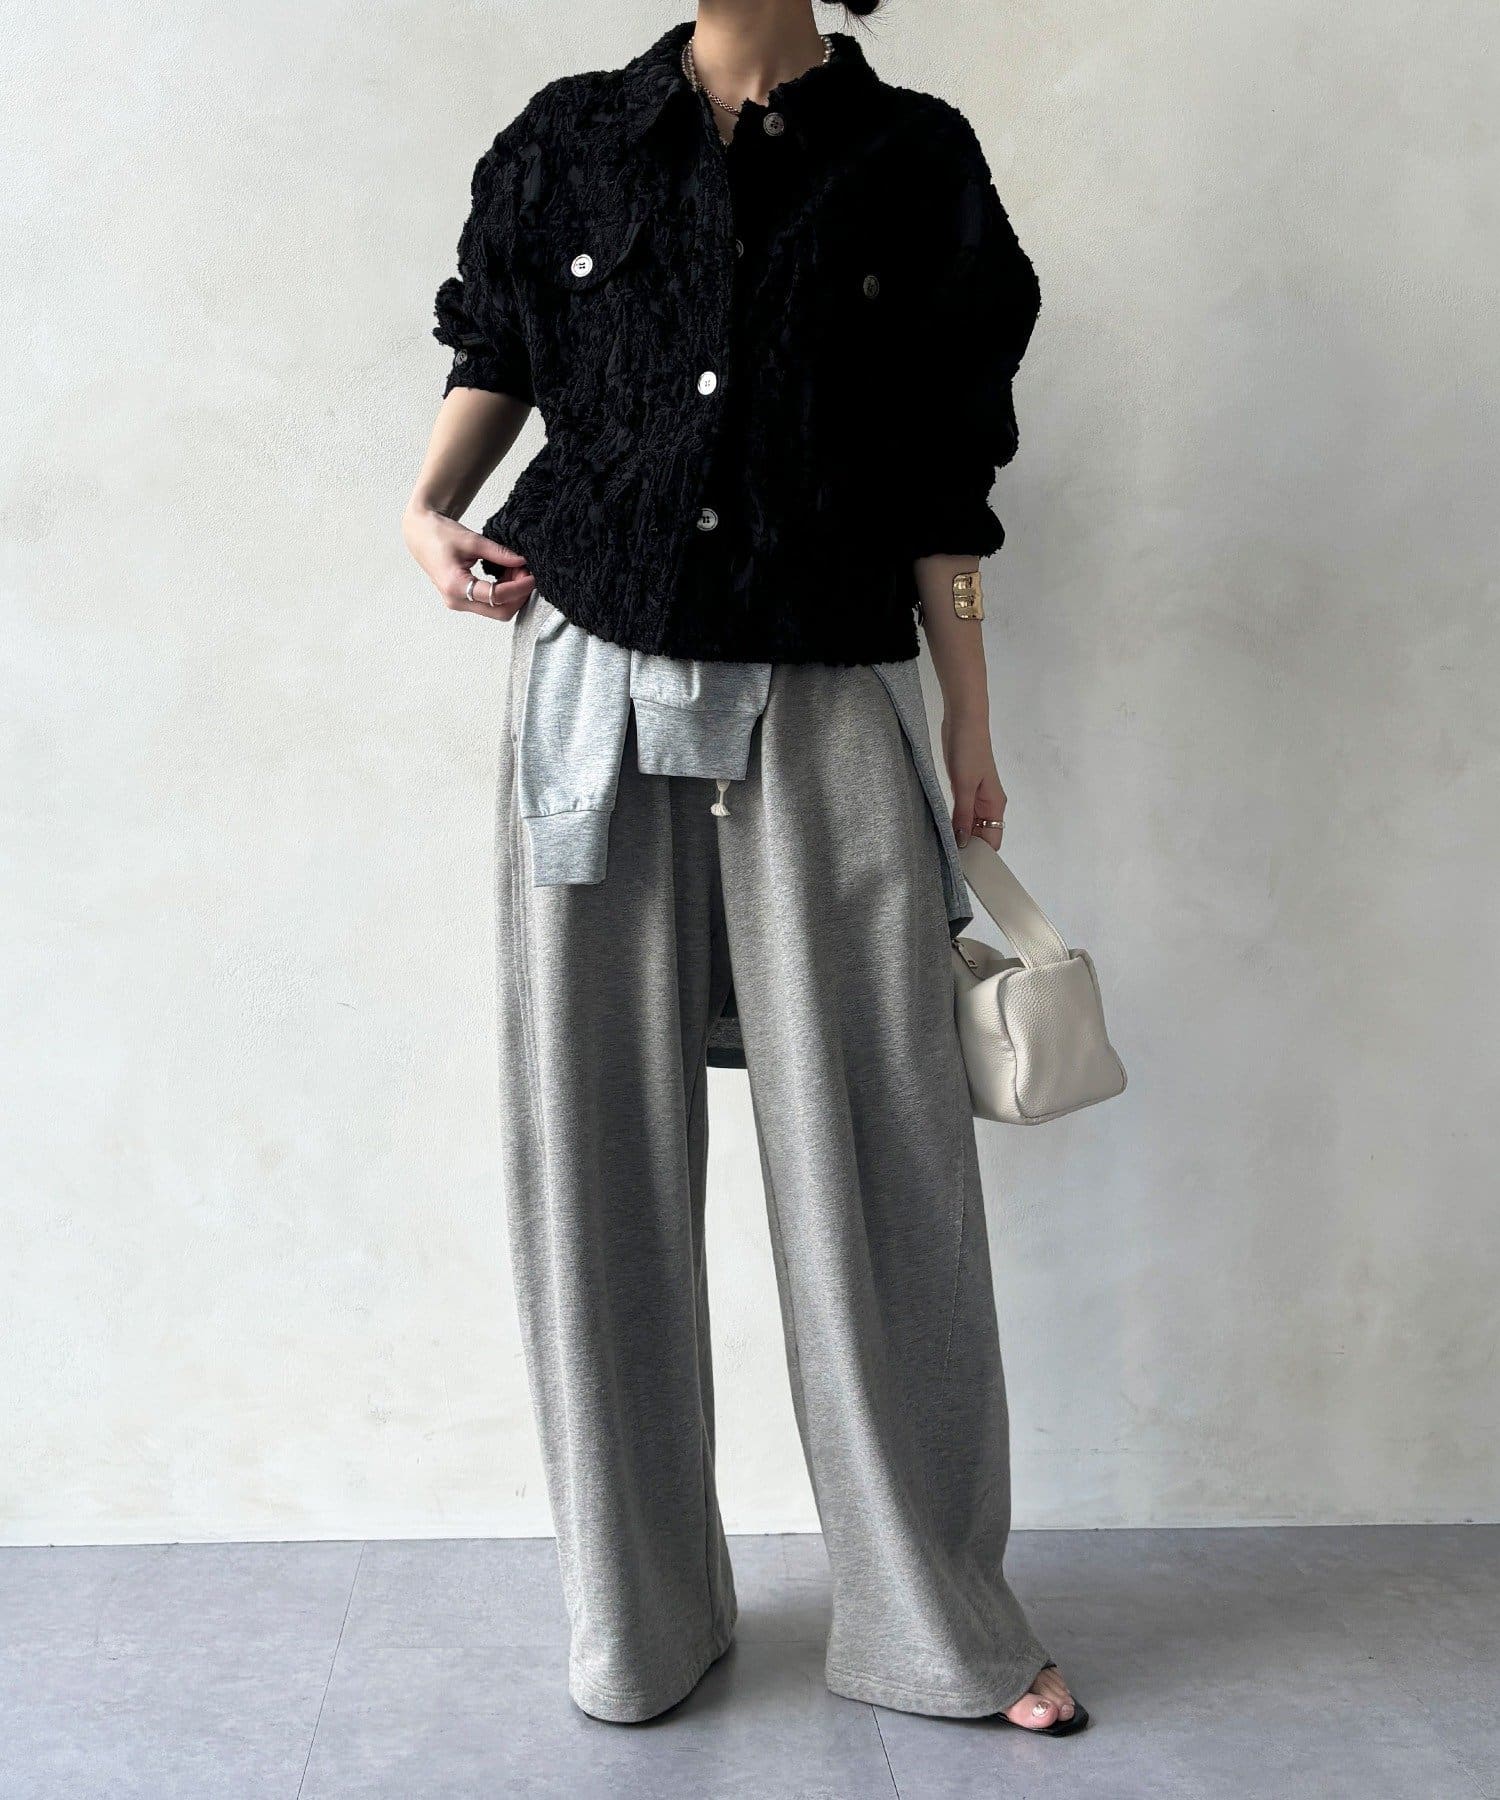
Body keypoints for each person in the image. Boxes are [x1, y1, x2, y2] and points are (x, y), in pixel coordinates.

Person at [403, 0, 1085, 1738]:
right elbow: (501, 348)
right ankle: (638, 1620)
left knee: (880, 1154)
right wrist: (424, 508)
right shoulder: (571, 136)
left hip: (824, 679)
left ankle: (935, 1621)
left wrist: (970, 719)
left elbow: (945, 471)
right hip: (588, 674)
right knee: (595, 1150)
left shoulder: (913, 158)